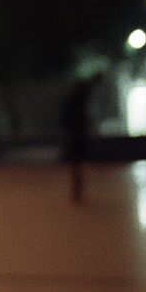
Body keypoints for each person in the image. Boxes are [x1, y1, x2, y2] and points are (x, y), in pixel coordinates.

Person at [62, 72, 103, 203]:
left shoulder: (75, 97)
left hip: (76, 132)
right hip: (76, 132)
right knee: (76, 160)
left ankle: (77, 187)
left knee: (76, 161)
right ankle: (77, 186)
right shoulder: (77, 98)